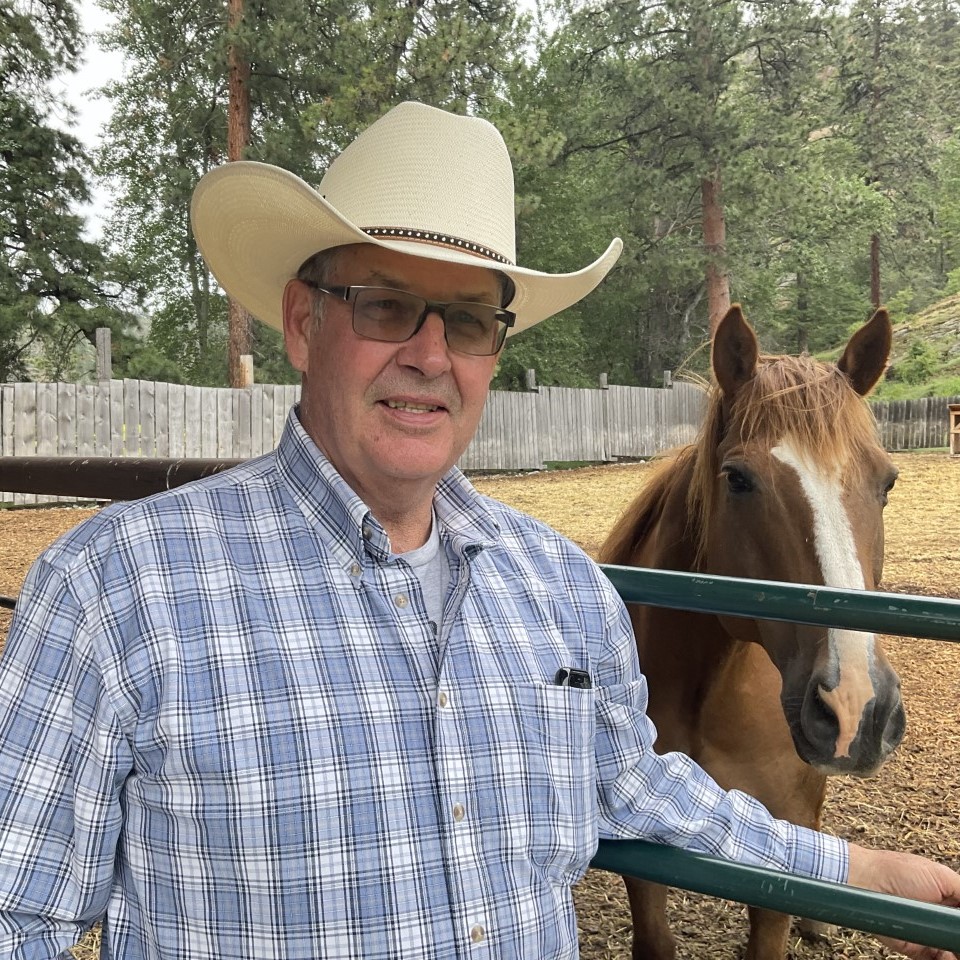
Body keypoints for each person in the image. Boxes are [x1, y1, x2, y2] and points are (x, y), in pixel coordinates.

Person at [0, 101, 956, 960]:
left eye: (466, 320)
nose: (429, 355)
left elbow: (636, 786)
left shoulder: (561, 586)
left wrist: (854, 871)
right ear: (301, 322)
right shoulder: (111, 591)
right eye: (385, 305)